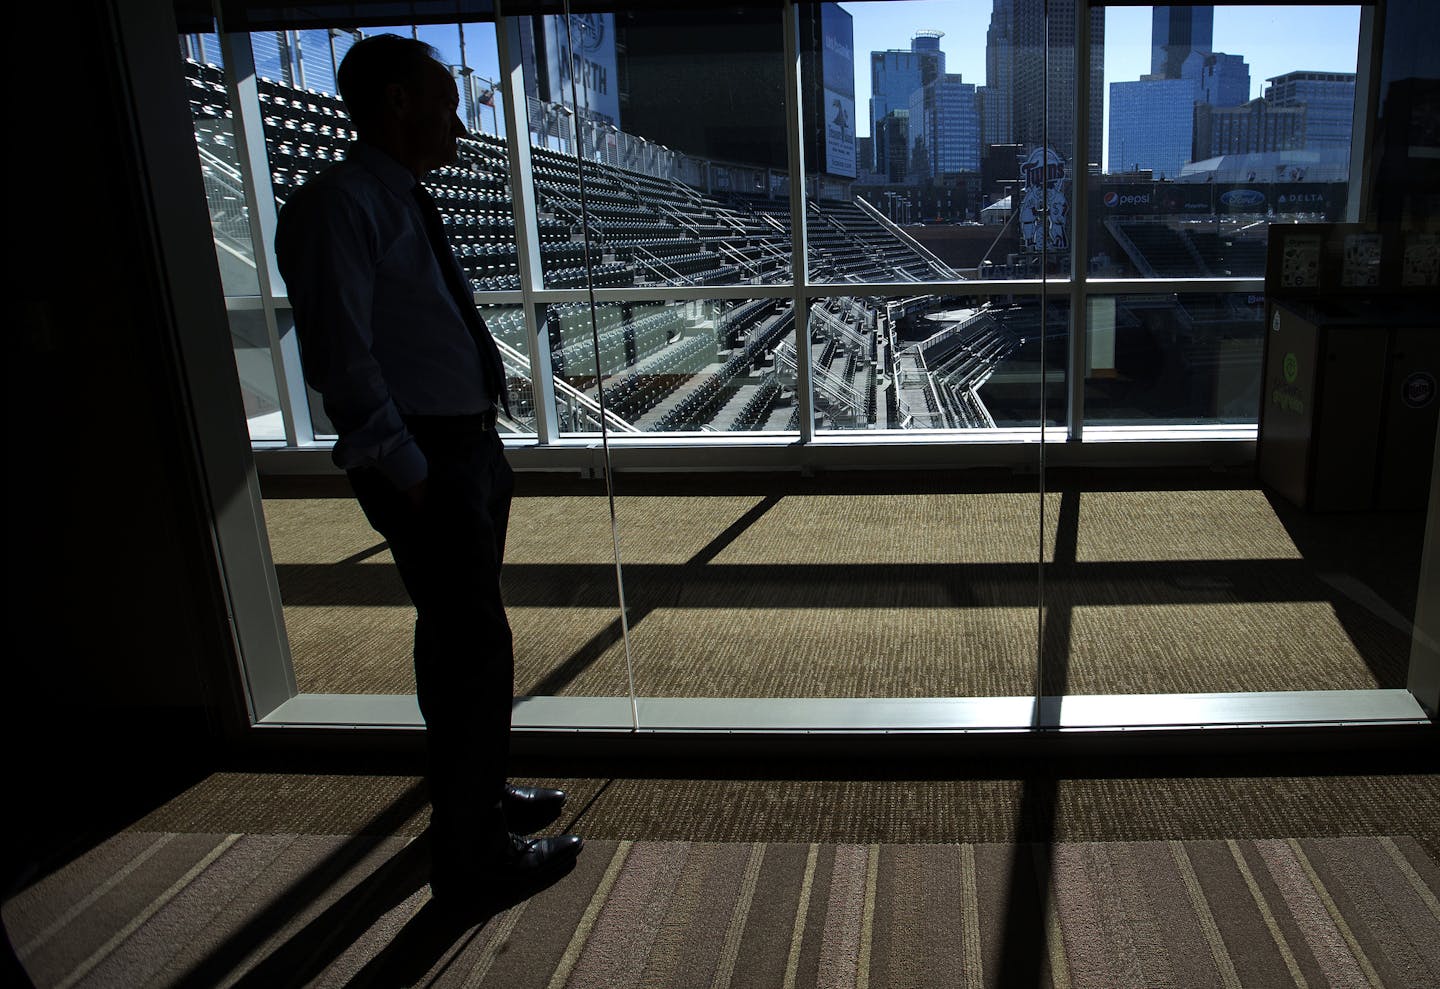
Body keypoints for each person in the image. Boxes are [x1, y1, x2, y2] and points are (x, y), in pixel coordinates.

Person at [274, 34, 582, 907]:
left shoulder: (399, 199)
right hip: (429, 458)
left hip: (463, 449)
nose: (457, 123)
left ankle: (476, 798)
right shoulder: (339, 205)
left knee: (455, 641)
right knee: (475, 649)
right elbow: (342, 356)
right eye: (446, 104)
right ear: (399, 103)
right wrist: (410, 471)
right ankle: (474, 856)